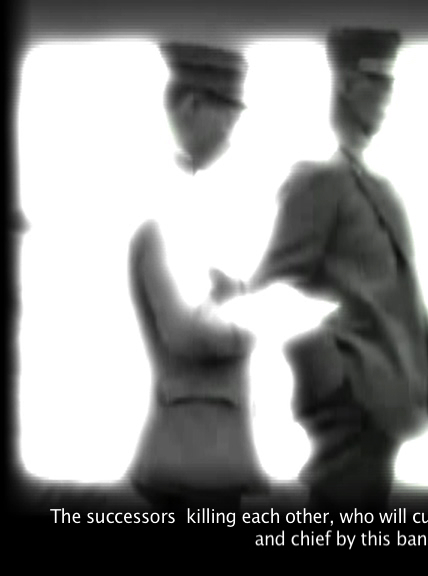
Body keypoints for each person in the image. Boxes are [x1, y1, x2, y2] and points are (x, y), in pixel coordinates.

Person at [245, 27, 428, 511]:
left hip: (387, 407)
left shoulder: (374, 186)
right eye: (378, 82)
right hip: (352, 413)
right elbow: (272, 289)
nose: (388, 96)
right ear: (346, 84)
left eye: (391, 83)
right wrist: (335, 378)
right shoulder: (319, 179)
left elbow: (398, 295)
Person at [126, 41, 270, 514]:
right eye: (226, 112)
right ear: (191, 105)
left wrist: (240, 298)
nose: (232, 129)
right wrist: (254, 322)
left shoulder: (202, 201)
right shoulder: (161, 209)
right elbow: (186, 335)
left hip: (209, 442)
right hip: (193, 447)